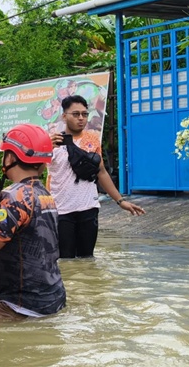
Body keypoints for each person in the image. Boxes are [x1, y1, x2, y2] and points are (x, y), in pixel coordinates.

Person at [0, 124, 67, 318]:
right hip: (53, 298)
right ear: (43, 163)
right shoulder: (46, 195)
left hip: (19, 305)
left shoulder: (15, 196)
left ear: (10, 157)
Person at [48, 95, 145, 259]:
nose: (81, 118)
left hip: (89, 208)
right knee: (65, 260)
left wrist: (121, 201)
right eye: (76, 114)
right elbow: (36, 171)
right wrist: (45, 148)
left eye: (84, 114)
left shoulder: (92, 140)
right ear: (64, 116)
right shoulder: (52, 142)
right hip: (61, 210)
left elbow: (101, 172)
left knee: (87, 259)